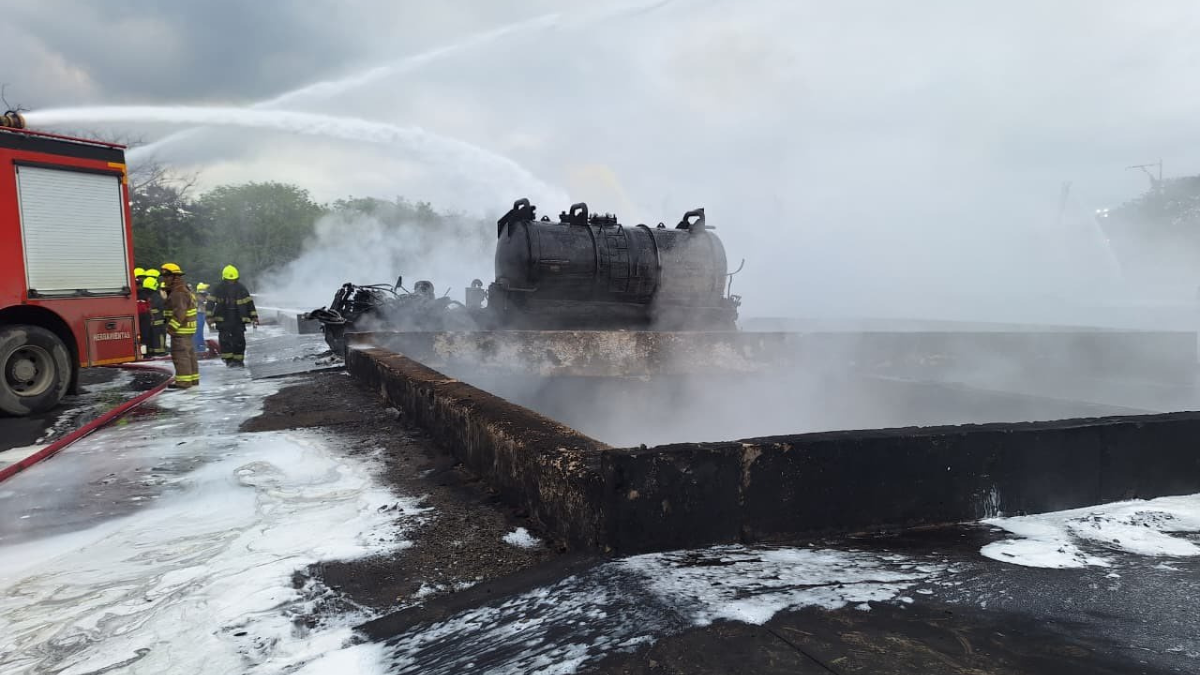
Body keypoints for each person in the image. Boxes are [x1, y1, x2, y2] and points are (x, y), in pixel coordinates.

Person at [208, 265, 258, 367]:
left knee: (239, 340)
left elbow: (249, 303)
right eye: (229, 280)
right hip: (223, 319)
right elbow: (210, 303)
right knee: (225, 340)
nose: (231, 282)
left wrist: (254, 316)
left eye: (233, 280)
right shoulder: (218, 288)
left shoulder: (241, 288)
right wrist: (209, 316)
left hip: (238, 318)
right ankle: (229, 360)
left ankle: (239, 360)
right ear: (224, 279)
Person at [160, 263, 199, 388]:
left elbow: (179, 312)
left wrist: (171, 328)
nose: (164, 279)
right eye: (164, 277)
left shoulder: (178, 292)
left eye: (167, 276)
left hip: (180, 330)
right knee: (189, 356)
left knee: (180, 357)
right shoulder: (182, 289)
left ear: (174, 277)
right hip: (186, 330)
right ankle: (192, 380)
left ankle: (183, 382)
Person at [142, 274, 168, 357]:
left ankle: (151, 350)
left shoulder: (144, 295)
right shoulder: (157, 296)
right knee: (159, 335)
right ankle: (160, 351)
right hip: (159, 321)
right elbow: (162, 308)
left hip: (148, 321)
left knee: (150, 336)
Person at [194, 282, 210, 355]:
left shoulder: (201, 302)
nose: (205, 297)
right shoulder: (196, 299)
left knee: (200, 331)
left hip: (200, 314)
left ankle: (199, 346)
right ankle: (198, 347)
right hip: (198, 314)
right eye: (204, 295)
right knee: (198, 331)